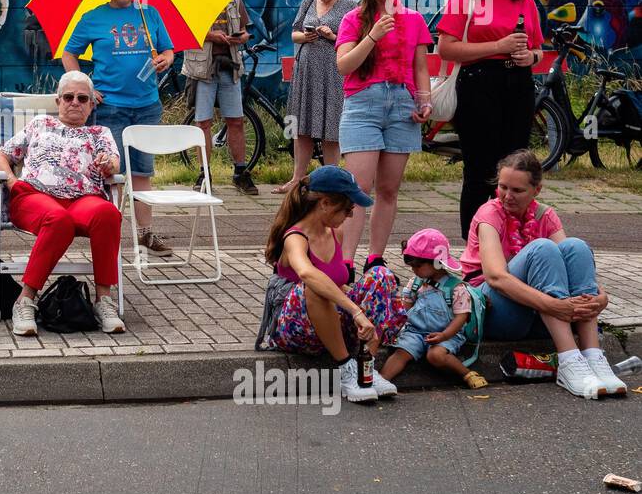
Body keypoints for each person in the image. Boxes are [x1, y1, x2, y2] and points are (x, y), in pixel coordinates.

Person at [459, 149, 626, 400]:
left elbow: (574, 265)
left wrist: (600, 297)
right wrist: (554, 305)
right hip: (497, 312)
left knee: (576, 246)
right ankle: (569, 360)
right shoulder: (489, 213)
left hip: (541, 315)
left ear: (536, 190)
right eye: (503, 187)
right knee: (543, 249)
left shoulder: (544, 214)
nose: (507, 196)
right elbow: (495, 277)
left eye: (517, 191)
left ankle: (593, 355)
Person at [0, 70, 125, 337]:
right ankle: (25, 300)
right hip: (34, 197)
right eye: (69, 97)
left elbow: (114, 165)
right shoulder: (40, 124)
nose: (75, 102)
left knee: (109, 213)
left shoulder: (100, 133)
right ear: (58, 101)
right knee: (57, 219)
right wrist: (13, 183)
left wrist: (108, 165)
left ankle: (104, 301)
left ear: (91, 104)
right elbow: (0, 159)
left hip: (83, 199)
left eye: (82, 98)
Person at [260, 166, 405, 402]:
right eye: (347, 209)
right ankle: (345, 370)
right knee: (315, 287)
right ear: (325, 203)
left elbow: (338, 285)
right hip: (295, 329)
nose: (350, 215)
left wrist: (361, 302)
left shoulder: (335, 233)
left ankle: (365, 366)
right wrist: (355, 310)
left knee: (381, 275)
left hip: (330, 321)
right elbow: (307, 274)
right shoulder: (294, 237)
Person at [62, 0, 175, 256]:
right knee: (111, 172)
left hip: (147, 105)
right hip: (109, 105)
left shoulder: (150, 14)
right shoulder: (92, 18)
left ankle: (145, 234)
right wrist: (85, 85)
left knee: (142, 172)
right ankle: (108, 232)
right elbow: (69, 54)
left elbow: (168, 49)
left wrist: (167, 58)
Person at [436, 0, 545, 238]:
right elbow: (446, 48)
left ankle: (511, 237)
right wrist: (499, 45)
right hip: (478, 85)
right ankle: (475, 244)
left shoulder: (524, 0)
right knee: (479, 169)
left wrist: (531, 58)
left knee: (516, 166)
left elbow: (538, 49)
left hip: (518, 86)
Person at [334, 0, 434, 277]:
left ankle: (375, 257)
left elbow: (421, 68)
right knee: (357, 188)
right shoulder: (353, 18)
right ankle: (346, 260)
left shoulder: (414, 20)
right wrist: (373, 35)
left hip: (402, 108)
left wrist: (425, 102)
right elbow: (343, 65)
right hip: (363, 105)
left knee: (388, 189)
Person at [278, 0, 357, 194]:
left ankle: (331, 180)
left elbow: (353, 41)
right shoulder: (308, 2)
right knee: (301, 126)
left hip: (332, 72)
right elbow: (294, 33)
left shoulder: (350, 7)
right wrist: (306, 36)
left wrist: (332, 36)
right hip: (306, 71)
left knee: (331, 127)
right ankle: (297, 178)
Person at [379, 228, 487, 389]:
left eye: (418, 266)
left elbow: (461, 317)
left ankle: (466, 373)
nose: (413, 270)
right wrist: (391, 327)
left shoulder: (455, 288)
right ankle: (381, 381)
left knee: (435, 355)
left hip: (447, 333)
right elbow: (404, 308)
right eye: (411, 266)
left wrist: (444, 335)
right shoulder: (416, 283)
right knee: (401, 352)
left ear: (437, 263)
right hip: (415, 331)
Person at [183, 0, 257, 194]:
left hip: (229, 67)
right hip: (202, 69)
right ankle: (204, 174)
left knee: (236, 120)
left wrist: (242, 37)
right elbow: (183, 31)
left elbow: (244, 30)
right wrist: (210, 36)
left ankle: (240, 172)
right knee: (203, 123)